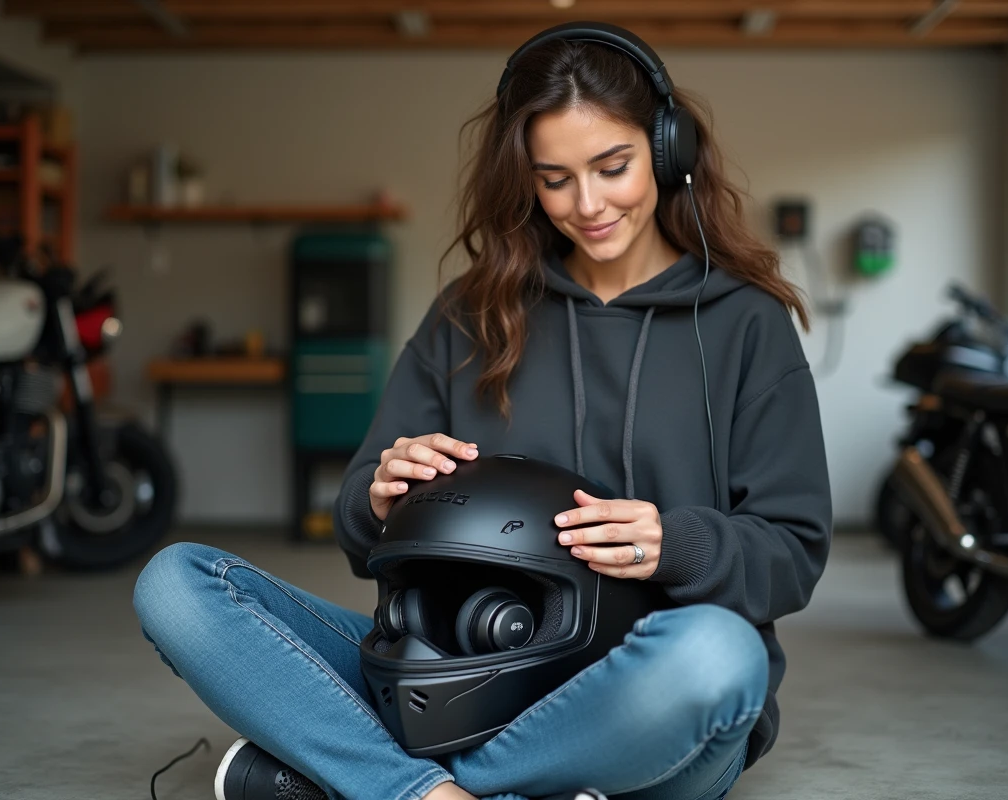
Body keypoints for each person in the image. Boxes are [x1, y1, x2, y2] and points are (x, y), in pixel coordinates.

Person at [133, 22, 831, 800]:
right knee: (176, 583)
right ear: (523, 178)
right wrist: (378, 494)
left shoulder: (745, 323)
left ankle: (371, 782)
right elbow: (361, 529)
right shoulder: (470, 313)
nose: (588, 204)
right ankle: (437, 793)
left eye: (613, 166)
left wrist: (677, 544)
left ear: (668, 151)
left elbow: (792, 550)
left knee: (718, 657)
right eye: (555, 178)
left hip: (643, 700)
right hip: (458, 685)